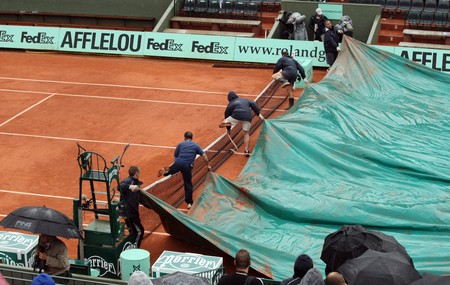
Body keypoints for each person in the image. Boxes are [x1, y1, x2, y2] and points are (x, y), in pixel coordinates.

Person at [159, 131, 211, 208]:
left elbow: (176, 157)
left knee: (170, 171)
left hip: (178, 163)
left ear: (184, 137)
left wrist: (176, 167)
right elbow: (204, 156)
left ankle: (167, 172)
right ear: (192, 138)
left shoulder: (180, 144)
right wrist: (208, 165)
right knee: (188, 183)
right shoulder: (196, 146)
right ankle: (189, 203)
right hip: (187, 166)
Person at [221, 91, 264, 156]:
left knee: (222, 123)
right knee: (246, 133)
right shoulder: (245, 99)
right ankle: (246, 150)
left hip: (236, 115)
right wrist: (259, 114)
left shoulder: (230, 104)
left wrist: (228, 129)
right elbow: (253, 104)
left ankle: (226, 125)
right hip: (247, 116)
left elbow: (226, 114)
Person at [120, 166, 152, 248]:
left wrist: (152, 206)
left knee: (133, 231)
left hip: (130, 212)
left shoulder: (136, 184)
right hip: (130, 212)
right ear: (136, 173)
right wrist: (130, 187)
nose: (139, 174)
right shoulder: (128, 181)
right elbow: (119, 186)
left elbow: (140, 199)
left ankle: (131, 246)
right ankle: (135, 248)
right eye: (139, 172)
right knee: (140, 231)